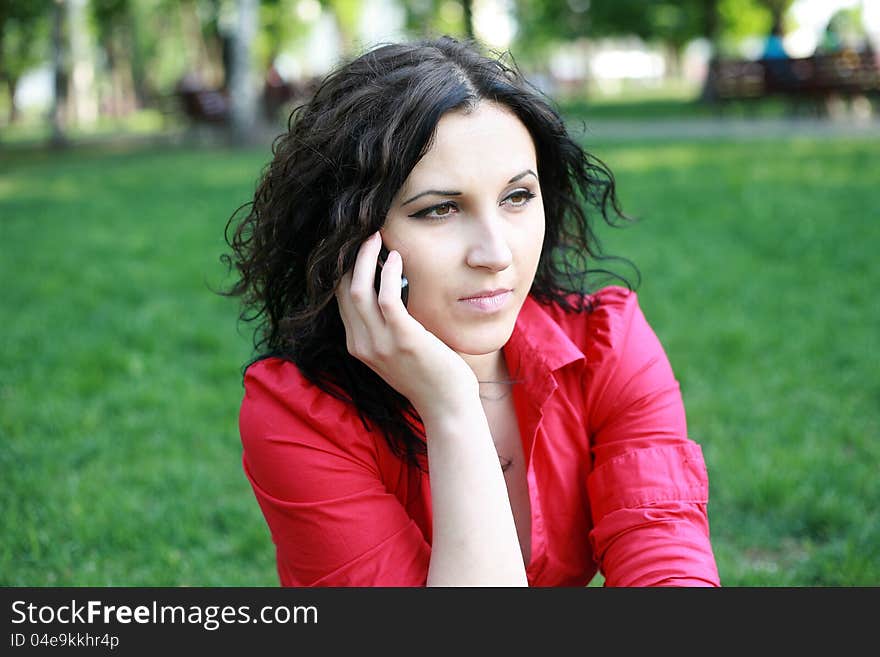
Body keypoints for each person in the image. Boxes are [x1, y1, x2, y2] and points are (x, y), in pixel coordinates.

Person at [222, 35, 721, 587]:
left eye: (516, 197)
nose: (496, 254)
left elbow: (669, 567)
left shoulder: (606, 342)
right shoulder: (299, 415)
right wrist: (451, 405)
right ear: (349, 234)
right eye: (439, 209)